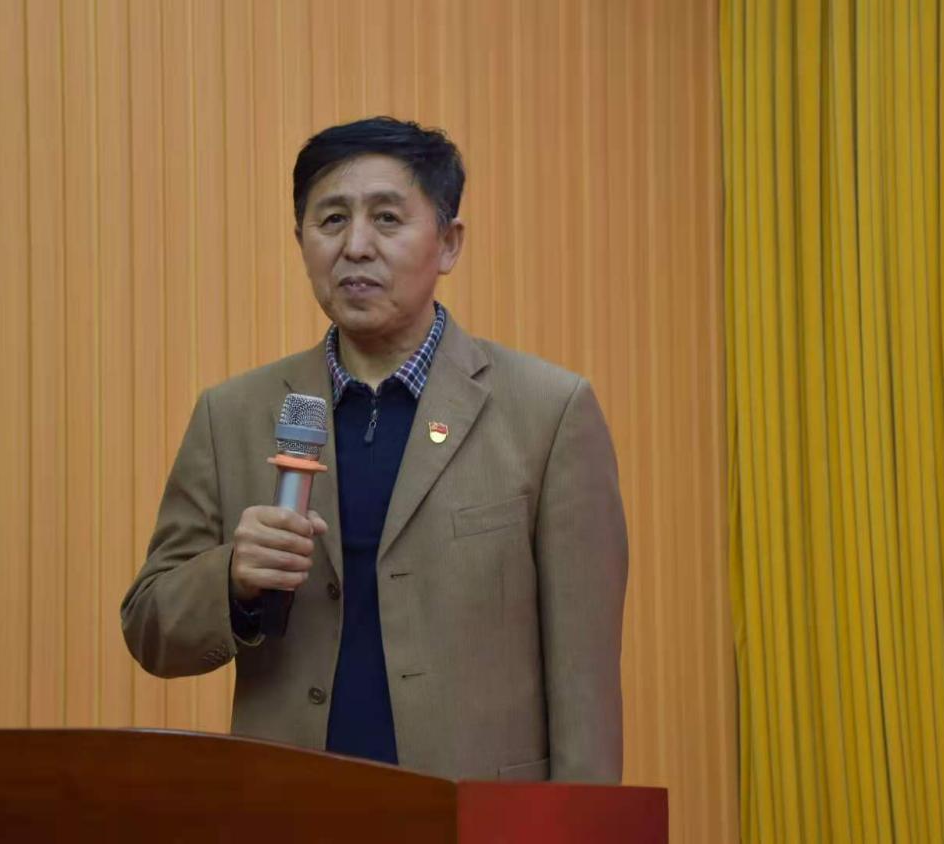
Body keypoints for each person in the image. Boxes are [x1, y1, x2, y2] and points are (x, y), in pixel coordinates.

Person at [121, 117, 628, 783]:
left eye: (387, 219)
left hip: (471, 812)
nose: (356, 247)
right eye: (332, 220)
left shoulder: (548, 413)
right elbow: (150, 626)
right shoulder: (232, 415)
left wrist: (580, 825)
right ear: (300, 240)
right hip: (292, 808)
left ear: (448, 243)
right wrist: (233, 578)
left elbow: (585, 685)